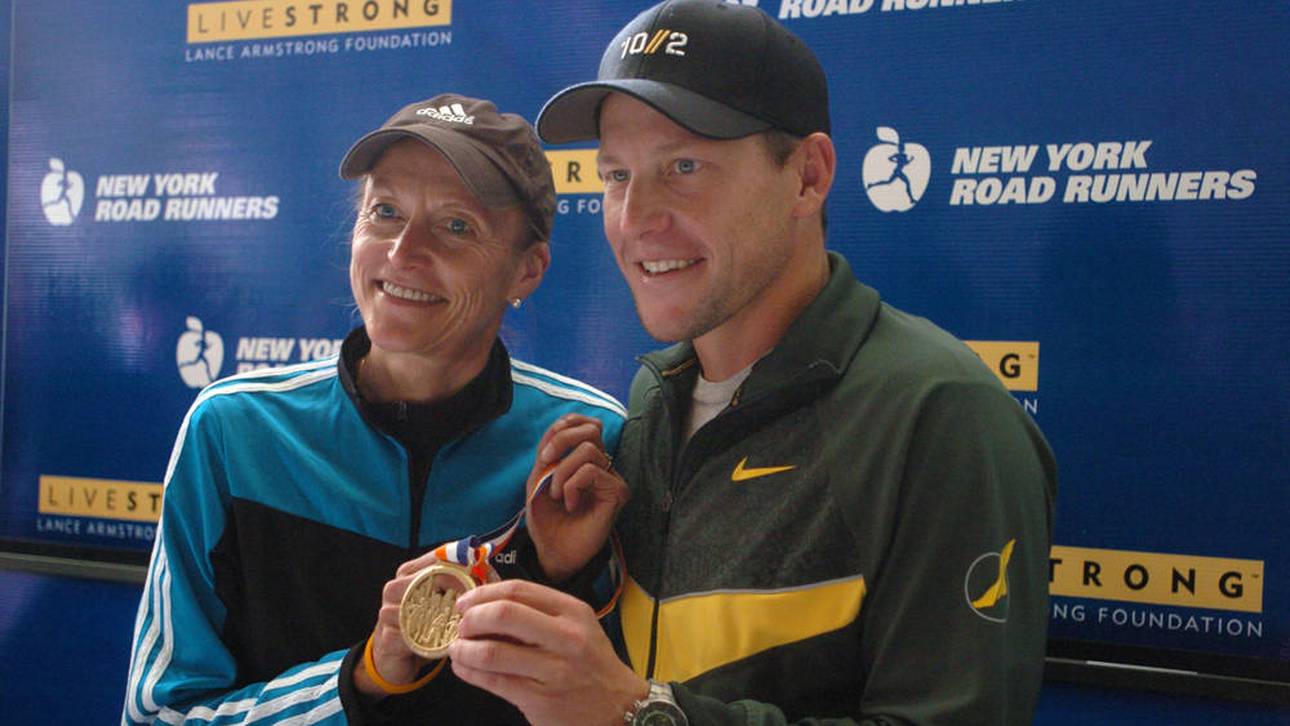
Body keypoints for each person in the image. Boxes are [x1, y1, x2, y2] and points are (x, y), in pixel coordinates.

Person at [444, 2, 1057, 724]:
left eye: (684, 167)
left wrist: (638, 712)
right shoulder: (655, 397)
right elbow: (649, 673)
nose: (635, 217)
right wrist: (573, 572)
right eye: (616, 175)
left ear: (807, 177)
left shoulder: (940, 416)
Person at [122, 93, 627, 725]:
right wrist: (360, 681)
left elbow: (632, 699)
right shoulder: (234, 431)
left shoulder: (590, 445)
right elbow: (161, 716)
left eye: (456, 226)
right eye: (385, 212)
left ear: (527, 271)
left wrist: (560, 574)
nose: (403, 252)